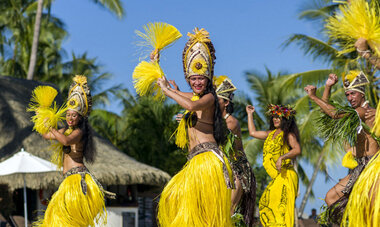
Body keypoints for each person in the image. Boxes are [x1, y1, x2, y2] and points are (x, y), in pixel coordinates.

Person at [156, 28, 233, 226]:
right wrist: (156, 63)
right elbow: (181, 95)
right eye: (193, 78)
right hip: (195, 161)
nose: (197, 82)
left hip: (207, 161)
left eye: (201, 78)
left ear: (207, 79)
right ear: (188, 79)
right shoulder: (195, 95)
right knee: (172, 198)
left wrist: (167, 91)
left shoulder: (209, 98)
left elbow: (190, 105)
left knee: (203, 216)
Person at [34, 76, 111, 227]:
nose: (70, 118)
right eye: (68, 114)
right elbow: (46, 136)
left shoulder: (79, 133)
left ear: (80, 117)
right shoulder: (64, 130)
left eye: (73, 115)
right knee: (56, 219)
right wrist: (42, 117)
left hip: (76, 179)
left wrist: (51, 127)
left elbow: (65, 141)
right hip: (67, 181)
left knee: (69, 221)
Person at [304, 71, 379, 225]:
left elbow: (334, 114)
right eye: (347, 95)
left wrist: (313, 97)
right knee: (331, 197)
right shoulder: (357, 113)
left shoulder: (364, 112)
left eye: (353, 94)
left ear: (362, 94)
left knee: (339, 199)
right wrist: (327, 87)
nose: (350, 98)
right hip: (361, 166)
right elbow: (328, 113)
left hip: (372, 168)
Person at [246, 104, 300, 227]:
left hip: (286, 176)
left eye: (278, 117)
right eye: (274, 117)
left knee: (279, 210)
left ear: (285, 119)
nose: (275, 119)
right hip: (277, 178)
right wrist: (250, 114)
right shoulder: (270, 134)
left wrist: (282, 157)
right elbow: (252, 132)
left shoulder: (288, 135)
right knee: (266, 203)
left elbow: (297, 150)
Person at [215, 76, 256, 226]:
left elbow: (215, 136)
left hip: (237, 170)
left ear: (226, 103)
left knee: (229, 210)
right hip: (221, 169)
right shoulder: (215, 121)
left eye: (216, 100)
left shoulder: (231, 122)